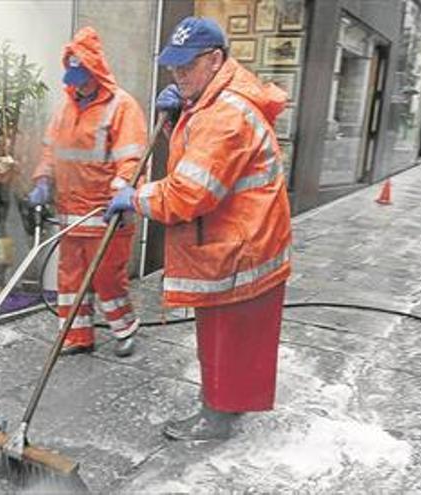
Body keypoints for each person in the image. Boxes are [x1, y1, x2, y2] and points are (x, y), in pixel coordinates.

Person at [105, 17, 292, 441]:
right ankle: (229, 406)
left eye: (187, 66)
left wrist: (134, 198)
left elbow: (190, 192)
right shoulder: (215, 100)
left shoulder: (226, 113)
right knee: (234, 340)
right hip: (244, 242)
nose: (178, 74)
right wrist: (178, 119)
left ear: (214, 60)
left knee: (227, 340)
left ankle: (217, 418)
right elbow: (203, 159)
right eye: (173, 67)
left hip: (241, 249)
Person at [28, 26, 147, 357]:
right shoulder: (65, 109)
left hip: (105, 214)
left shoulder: (122, 107)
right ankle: (78, 336)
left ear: (96, 72)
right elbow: (51, 150)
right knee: (70, 281)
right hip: (70, 214)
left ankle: (124, 329)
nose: (76, 83)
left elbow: (132, 158)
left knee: (108, 278)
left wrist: (122, 193)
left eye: (82, 75)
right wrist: (42, 180)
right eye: (72, 75)